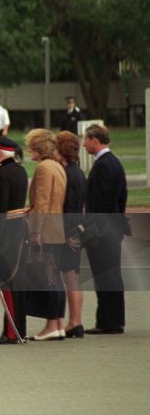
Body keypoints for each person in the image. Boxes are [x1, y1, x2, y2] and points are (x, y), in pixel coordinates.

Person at [82, 124, 129, 335]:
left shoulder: (102, 166)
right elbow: (120, 198)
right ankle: (113, 319)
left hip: (102, 231)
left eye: (86, 139)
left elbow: (99, 203)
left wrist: (93, 231)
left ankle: (108, 322)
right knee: (111, 274)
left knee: (105, 275)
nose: (83, 144)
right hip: (113, 228)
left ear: (94, 139)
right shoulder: (114, 163)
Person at [25, 129, 68, 341]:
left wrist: (36, 232)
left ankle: (51, 324)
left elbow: (41, 202)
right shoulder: (58, 167)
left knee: (47, 279)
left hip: (46, 229)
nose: (28, 150)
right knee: (55, 277)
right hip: (58, 227)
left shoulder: (43, 168)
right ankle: (58, 322)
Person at [0, 134, 29, 345]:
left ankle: (12, 332)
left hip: (6, 232)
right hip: (19, 227)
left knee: (7, 282)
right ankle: (18, 327)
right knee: (16, 280)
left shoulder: (0, 176)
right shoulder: (20, 171)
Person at [57, 131, 88, 337]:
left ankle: (74, 321)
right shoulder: (79, 172)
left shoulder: (68, 174)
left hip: (69, 231)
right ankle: (76, 320)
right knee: (73, 277)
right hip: (77, 227)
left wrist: (67, 233)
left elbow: (68, 207)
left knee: (69, 277)